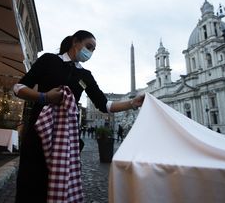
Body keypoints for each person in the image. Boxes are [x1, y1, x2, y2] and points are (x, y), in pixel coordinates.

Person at [13, 30, 144, 203]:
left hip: (66, 138)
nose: (90, 52)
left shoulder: (85, 75)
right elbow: (18, 87)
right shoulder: (49, 60)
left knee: (59, 180)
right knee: (32, 180)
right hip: (39, 131)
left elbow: (105, 105)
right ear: (75, 42)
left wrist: (132, 103)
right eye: (89, 47)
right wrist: (43, 97)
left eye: (93, 50)